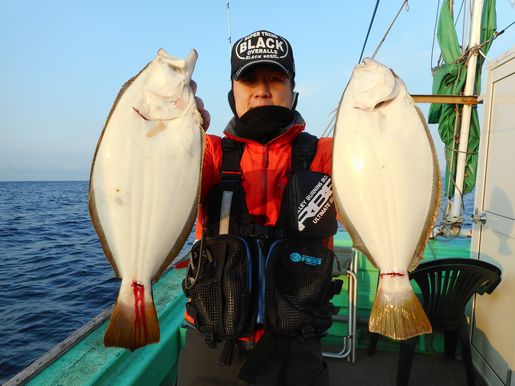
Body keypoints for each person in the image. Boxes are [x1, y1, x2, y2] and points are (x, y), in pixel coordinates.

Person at [177, 30, 341, 386]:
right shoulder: (209, 153)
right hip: (211, 341)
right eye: (248, 79)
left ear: (293, 90)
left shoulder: (330, 155)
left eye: (275, 78)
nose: (261, 89)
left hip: (297, 348)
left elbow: (380, 175)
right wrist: (177, 133)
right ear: (232, 94)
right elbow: (161, 185)